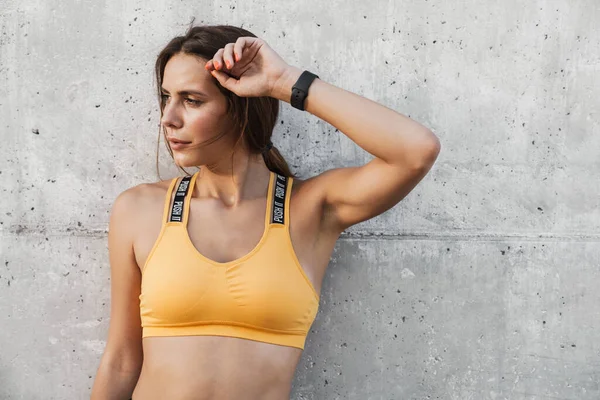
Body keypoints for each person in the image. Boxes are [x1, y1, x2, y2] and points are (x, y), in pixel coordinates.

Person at [90, 22, 441, 400]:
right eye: (166, 98)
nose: (168, 118)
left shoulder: (311, 209)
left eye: (192, 100)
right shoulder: (139, 210)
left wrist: (285, 81)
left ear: (241, 105)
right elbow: (122, 360)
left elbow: (416, 150)